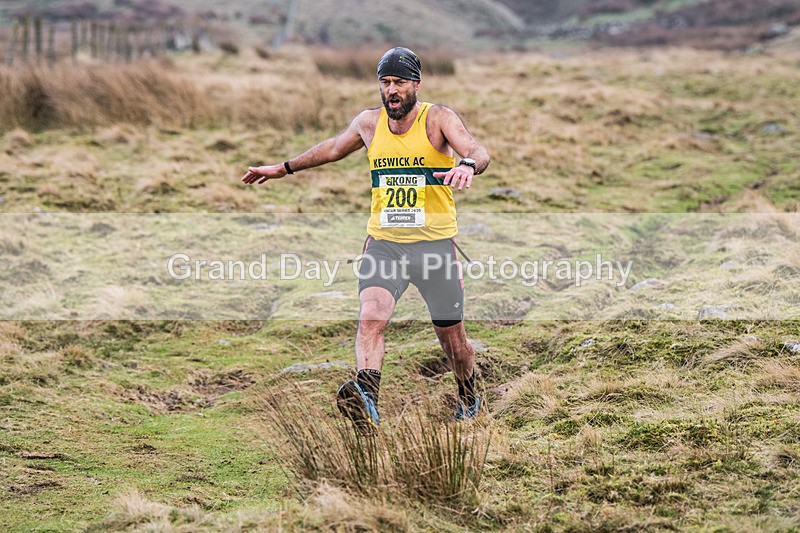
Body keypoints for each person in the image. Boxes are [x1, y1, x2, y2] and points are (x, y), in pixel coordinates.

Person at [242, 46, 490, 428]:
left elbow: (476, 149)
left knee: (453, 342)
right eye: (385, 82)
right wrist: (284, 168)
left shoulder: (438, 119)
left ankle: (469, 397)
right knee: (371, 317)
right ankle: (367, 401)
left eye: (400, 82)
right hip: (385, 244)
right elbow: (333, 148)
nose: (391, 90)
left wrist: (468, 164)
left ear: (416, 84)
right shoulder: (369, 124)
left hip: (435, 247)